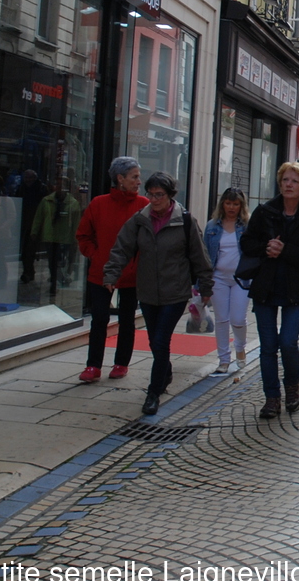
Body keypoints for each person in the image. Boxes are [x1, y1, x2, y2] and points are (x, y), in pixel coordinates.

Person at [104, 172, 213, 417]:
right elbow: (122, 248)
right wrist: (111, 274)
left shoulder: (185, 221)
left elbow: (200, 256)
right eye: (150, 194)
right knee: (155, 341)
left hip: (175, 292)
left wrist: (206, 286)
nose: (153, 199)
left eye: (159, 195)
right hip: (147, 292)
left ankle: (153, 393)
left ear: (170, 195)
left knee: (162, 340)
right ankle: (166, 371)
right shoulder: (140, 220)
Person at [242, 163, 299, 418]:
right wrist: (267, 247)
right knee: (268, 346)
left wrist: (285, 251)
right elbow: (247, 243)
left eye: (295, 181)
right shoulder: (264, 212)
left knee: (287, 342)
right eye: (285, 180)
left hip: (296, 290)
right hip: (266, 287)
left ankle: (292, 389)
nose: (289, 184)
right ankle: (272, 397)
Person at [75, 157, 148, 383]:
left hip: (131, 274)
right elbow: (83, 235)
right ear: (120, 178)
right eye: (134, 177)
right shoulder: (99, 204)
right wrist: (96, 256)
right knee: (99, 319)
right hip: (101, 273)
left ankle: (121, 363)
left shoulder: (144, 205)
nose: (139, 181)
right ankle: (93, 366)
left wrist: (138, 262)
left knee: (127, 320)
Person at [205, 187, 252, 378]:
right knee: (222, 319)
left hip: (241, 279)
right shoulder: (212, 226)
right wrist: (201, 283)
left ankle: (240, 347)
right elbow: (205, 254)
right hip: (218, 278)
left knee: (238, 319)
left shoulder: (247, 226)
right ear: (222, 204)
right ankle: (223, 359)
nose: (231, 207)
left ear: (241, 206)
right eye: (228, 203)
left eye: (235, 204)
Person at [32, 177, 80, 296]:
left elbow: (76, 223)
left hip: (65, 237)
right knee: (52, 262)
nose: (59, 187)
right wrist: (34, 232)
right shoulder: (46, 201)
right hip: (50, 236)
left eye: (62, 185)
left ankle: (60, 279)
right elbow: (38, 218)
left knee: (60, 262)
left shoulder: (73, 203)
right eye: (57, 184)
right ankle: (55, 283)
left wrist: (76, 239)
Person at [17, 169, 46, 283]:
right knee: (25, 251)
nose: (28, 180)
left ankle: (28, 272)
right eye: (26, 178)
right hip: (24, 223)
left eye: (30, 178)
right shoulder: (21, 189)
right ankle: (28, 271)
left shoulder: (41, 189)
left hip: (36, 223)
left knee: (30, 250)